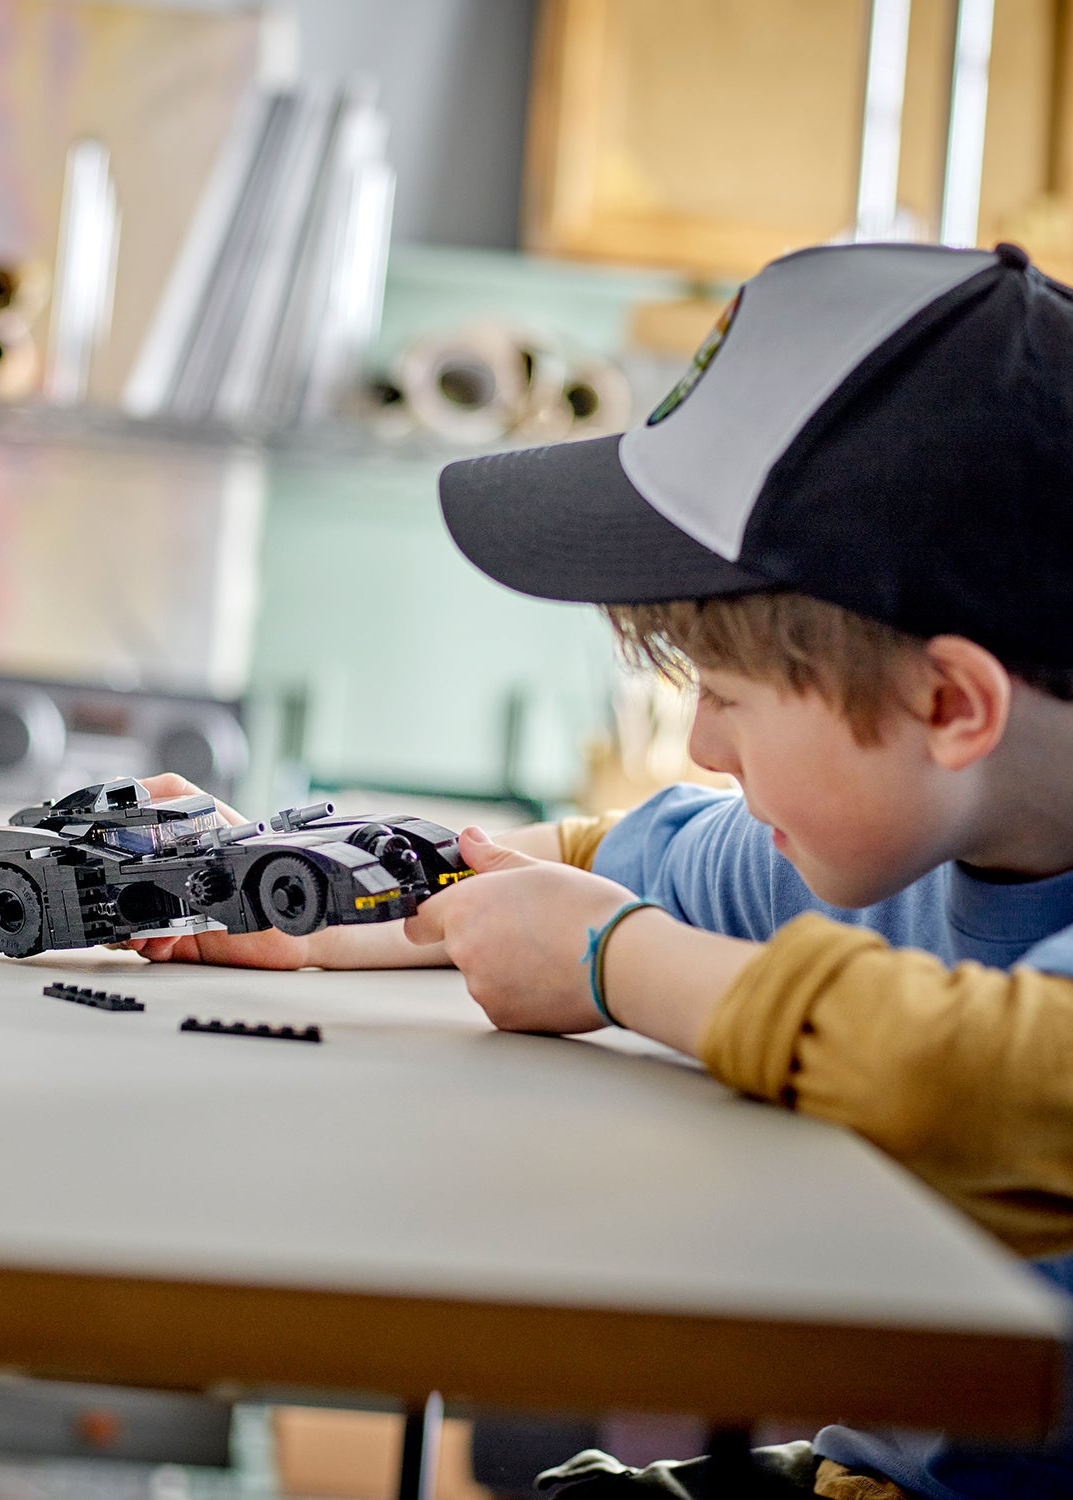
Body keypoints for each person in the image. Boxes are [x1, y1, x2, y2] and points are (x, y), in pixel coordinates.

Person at [135, 240, 1073, 1498]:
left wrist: (611, 959)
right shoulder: (921, 832)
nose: (702, 747)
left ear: (948, 704)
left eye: (729, 698)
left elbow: (975, 1076)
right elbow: (604, 857)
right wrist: (312, 892)